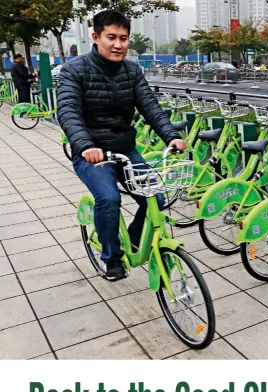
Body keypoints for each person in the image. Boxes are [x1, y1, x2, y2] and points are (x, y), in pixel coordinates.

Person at [57, 10, 187, 281]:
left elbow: (150, 106)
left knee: (157, 197)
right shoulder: (74, 70)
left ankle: (134, 237)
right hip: (92, 153)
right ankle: (112, 257)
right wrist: (84, 145)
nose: (118, 44)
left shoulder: (132, 70)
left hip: (125, 150)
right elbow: (68, 112)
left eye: (124, 38)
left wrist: (170, 136)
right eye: (111, 37)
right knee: (109, 198)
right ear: (96, 37)